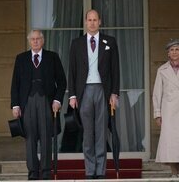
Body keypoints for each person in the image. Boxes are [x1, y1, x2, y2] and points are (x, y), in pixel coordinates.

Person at [68, 9, 120, 179]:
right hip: (84, 92)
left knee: (101, 132)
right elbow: (72, 71)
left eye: (95, 20)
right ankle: (90, 170)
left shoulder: (110, 41)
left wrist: (114, 93)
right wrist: (72, 95)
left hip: (102, 91)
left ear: (100, 22)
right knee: (88, 133)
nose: (92, 23)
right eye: (89, 20)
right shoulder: (76, 43)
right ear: (85, 22)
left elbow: (115, 70)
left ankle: (101, 170)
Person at [11, 29, 67, 180]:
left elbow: (62, 81)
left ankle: (46, 172)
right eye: (33, 39)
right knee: (30, 139)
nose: (35, 41)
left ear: (43, 41)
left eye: (38, 39)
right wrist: (15, 105)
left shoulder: (52, 57)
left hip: (46, 102)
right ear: (29, 41)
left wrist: (57, 100)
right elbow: (15, 84)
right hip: (27, 103)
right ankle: (33, 173)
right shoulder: (21, 58)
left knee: (46, 137)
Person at [153, 39, 179, 178]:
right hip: (169, 112)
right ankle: (174, 173)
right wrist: (157, 114)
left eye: (177, 49)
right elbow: (157, 94)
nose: (174, 52)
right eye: (172, 50)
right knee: (171, 145)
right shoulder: (162, 70)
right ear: (168, 53)